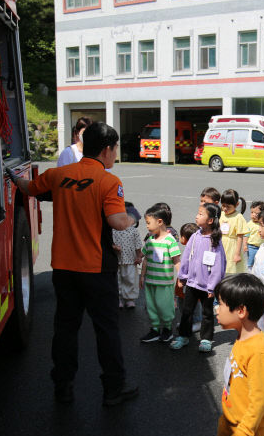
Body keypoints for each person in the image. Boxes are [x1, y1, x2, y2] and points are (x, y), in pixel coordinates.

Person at [10, 121, 138, 406]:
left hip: (64, 268)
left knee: (66, 328)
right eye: (115, 149)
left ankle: (63, 386)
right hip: (96, 267)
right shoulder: (109, 181)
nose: (115, 154)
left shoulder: (59, 175)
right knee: (106, 329)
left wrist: (9, 174)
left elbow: (28, 187)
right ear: (106, 150)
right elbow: (117, 222)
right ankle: (113, 389)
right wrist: (133, 217)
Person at [209, 274, 264, 436]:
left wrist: (243, 433)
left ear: (241, 311)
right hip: (230, 424)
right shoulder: (241, 337)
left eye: (220, 304)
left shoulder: (259, 352)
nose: (216, 309)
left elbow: (261, 399)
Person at [172, 202, 226, 352]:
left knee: (207, 313)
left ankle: (206, 339)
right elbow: (186, 258)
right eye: (198, 213)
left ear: (210, 220)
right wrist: (182, 277)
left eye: (201, 214)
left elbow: (218, 265)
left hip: (207, 286)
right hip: (192, 283)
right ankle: (183, 336)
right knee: (186, 311)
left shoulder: (215, 240)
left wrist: (213, 286)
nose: (197, 216)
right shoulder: (195, 236)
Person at [138, 204, 181, 343]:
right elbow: (145, 259)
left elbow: (176, 261)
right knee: (151, 306)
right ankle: (155, 329)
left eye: (148, 223)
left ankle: (167, 329)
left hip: (164, 282)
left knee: (165, 306)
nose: (147, 226)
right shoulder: (150, 241)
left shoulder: (170, 241)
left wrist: (180, 277)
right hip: (151, 281)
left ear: (160, 222)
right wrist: (142, 275)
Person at [112, 213, 143, 309]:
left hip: (131, 260)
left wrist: (138, 256)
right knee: (116, 280)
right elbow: (108, 242)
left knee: (130, 280)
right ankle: (117, 298)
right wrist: (113, 246)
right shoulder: (113, 230)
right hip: (116, 260)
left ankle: (130, 299)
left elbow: (138, 246)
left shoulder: (134, 231)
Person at [177, 223, 202, 332]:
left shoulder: (195, 251)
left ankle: (197, 321)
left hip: (190, 282)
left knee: (194, 303)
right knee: (182, 301)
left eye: (181, 235)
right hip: (183, 281)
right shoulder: (189, 248)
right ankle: (186, 320)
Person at [220, 189, 248, 274]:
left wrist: (237, 254)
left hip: (232, 247)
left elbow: (240, 237)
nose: (225, 209)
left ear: (237, 205)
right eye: (223, 205)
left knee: (230, 270)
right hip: (221, 244)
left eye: (228, 207)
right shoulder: (221, 214)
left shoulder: (238, 217)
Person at [244, 201, 264, 270]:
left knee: (260, 262)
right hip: (252, 247)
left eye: (256, 213)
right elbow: (246, 235)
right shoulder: (249, 224)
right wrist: (245, 245)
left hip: (262, 246)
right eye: (252, 212)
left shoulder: (263, 223)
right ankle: (250, 272)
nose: (253, 215)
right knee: (251, 262)